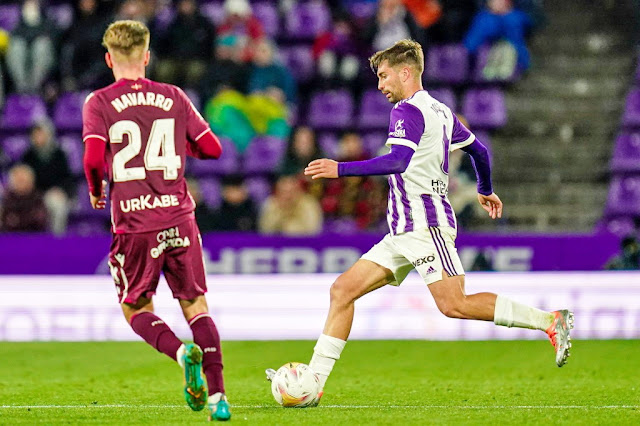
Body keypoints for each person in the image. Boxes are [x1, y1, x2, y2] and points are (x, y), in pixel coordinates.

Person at [266, 39, 574, 403]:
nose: (380, 85)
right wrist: (485, 188)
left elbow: (397, 161)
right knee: (342, 291)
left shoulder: (407, 111)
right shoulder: (442, 112)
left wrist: (340, 168)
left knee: (454, 304)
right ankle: (314, 384)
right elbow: (479, 150)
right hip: (402, 231)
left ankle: (549, 321)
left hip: (427, 226)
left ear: (405, 72)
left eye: (383, 76)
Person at [82, 20, 230, 421]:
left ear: (109, 59)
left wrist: (97, 190)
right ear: (147, 56)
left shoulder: (99, 102)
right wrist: (179, 149)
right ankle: (219, 401)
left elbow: (94, 159)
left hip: (135, 223)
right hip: (179, 217)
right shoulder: (175, 96)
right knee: (196, 305)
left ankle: (182, 354)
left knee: (136, 308)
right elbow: (212, 149)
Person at [21, 118, 73, 235]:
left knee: (57, 204)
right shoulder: (28, 156)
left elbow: (67, 178)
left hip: (53, 193)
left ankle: (56, 239)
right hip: (33, 195)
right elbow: (24, 177)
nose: (38, 137)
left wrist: (61, 190)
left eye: (41, 134)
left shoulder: (59, 155)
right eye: (36, 134)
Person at [258, 175, 323, 236]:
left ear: (298, 191)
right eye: (283, 192)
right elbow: (265, 231)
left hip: (305, 244)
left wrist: (295, 210)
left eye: (291, 192)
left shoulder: (309, 203)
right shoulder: (271, 203)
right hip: (276, 244)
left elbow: (313, 230)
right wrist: (281, 212)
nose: (288, 196)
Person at [0, 164, 48, 232]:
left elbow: (39, 220)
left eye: (22, 180)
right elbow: (5, 220)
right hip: (9, 238)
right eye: (17, 180)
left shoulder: (38, 197)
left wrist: (18, 220)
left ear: (31, 182)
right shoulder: (7, 198)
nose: (20, 184)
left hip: (33, 238)